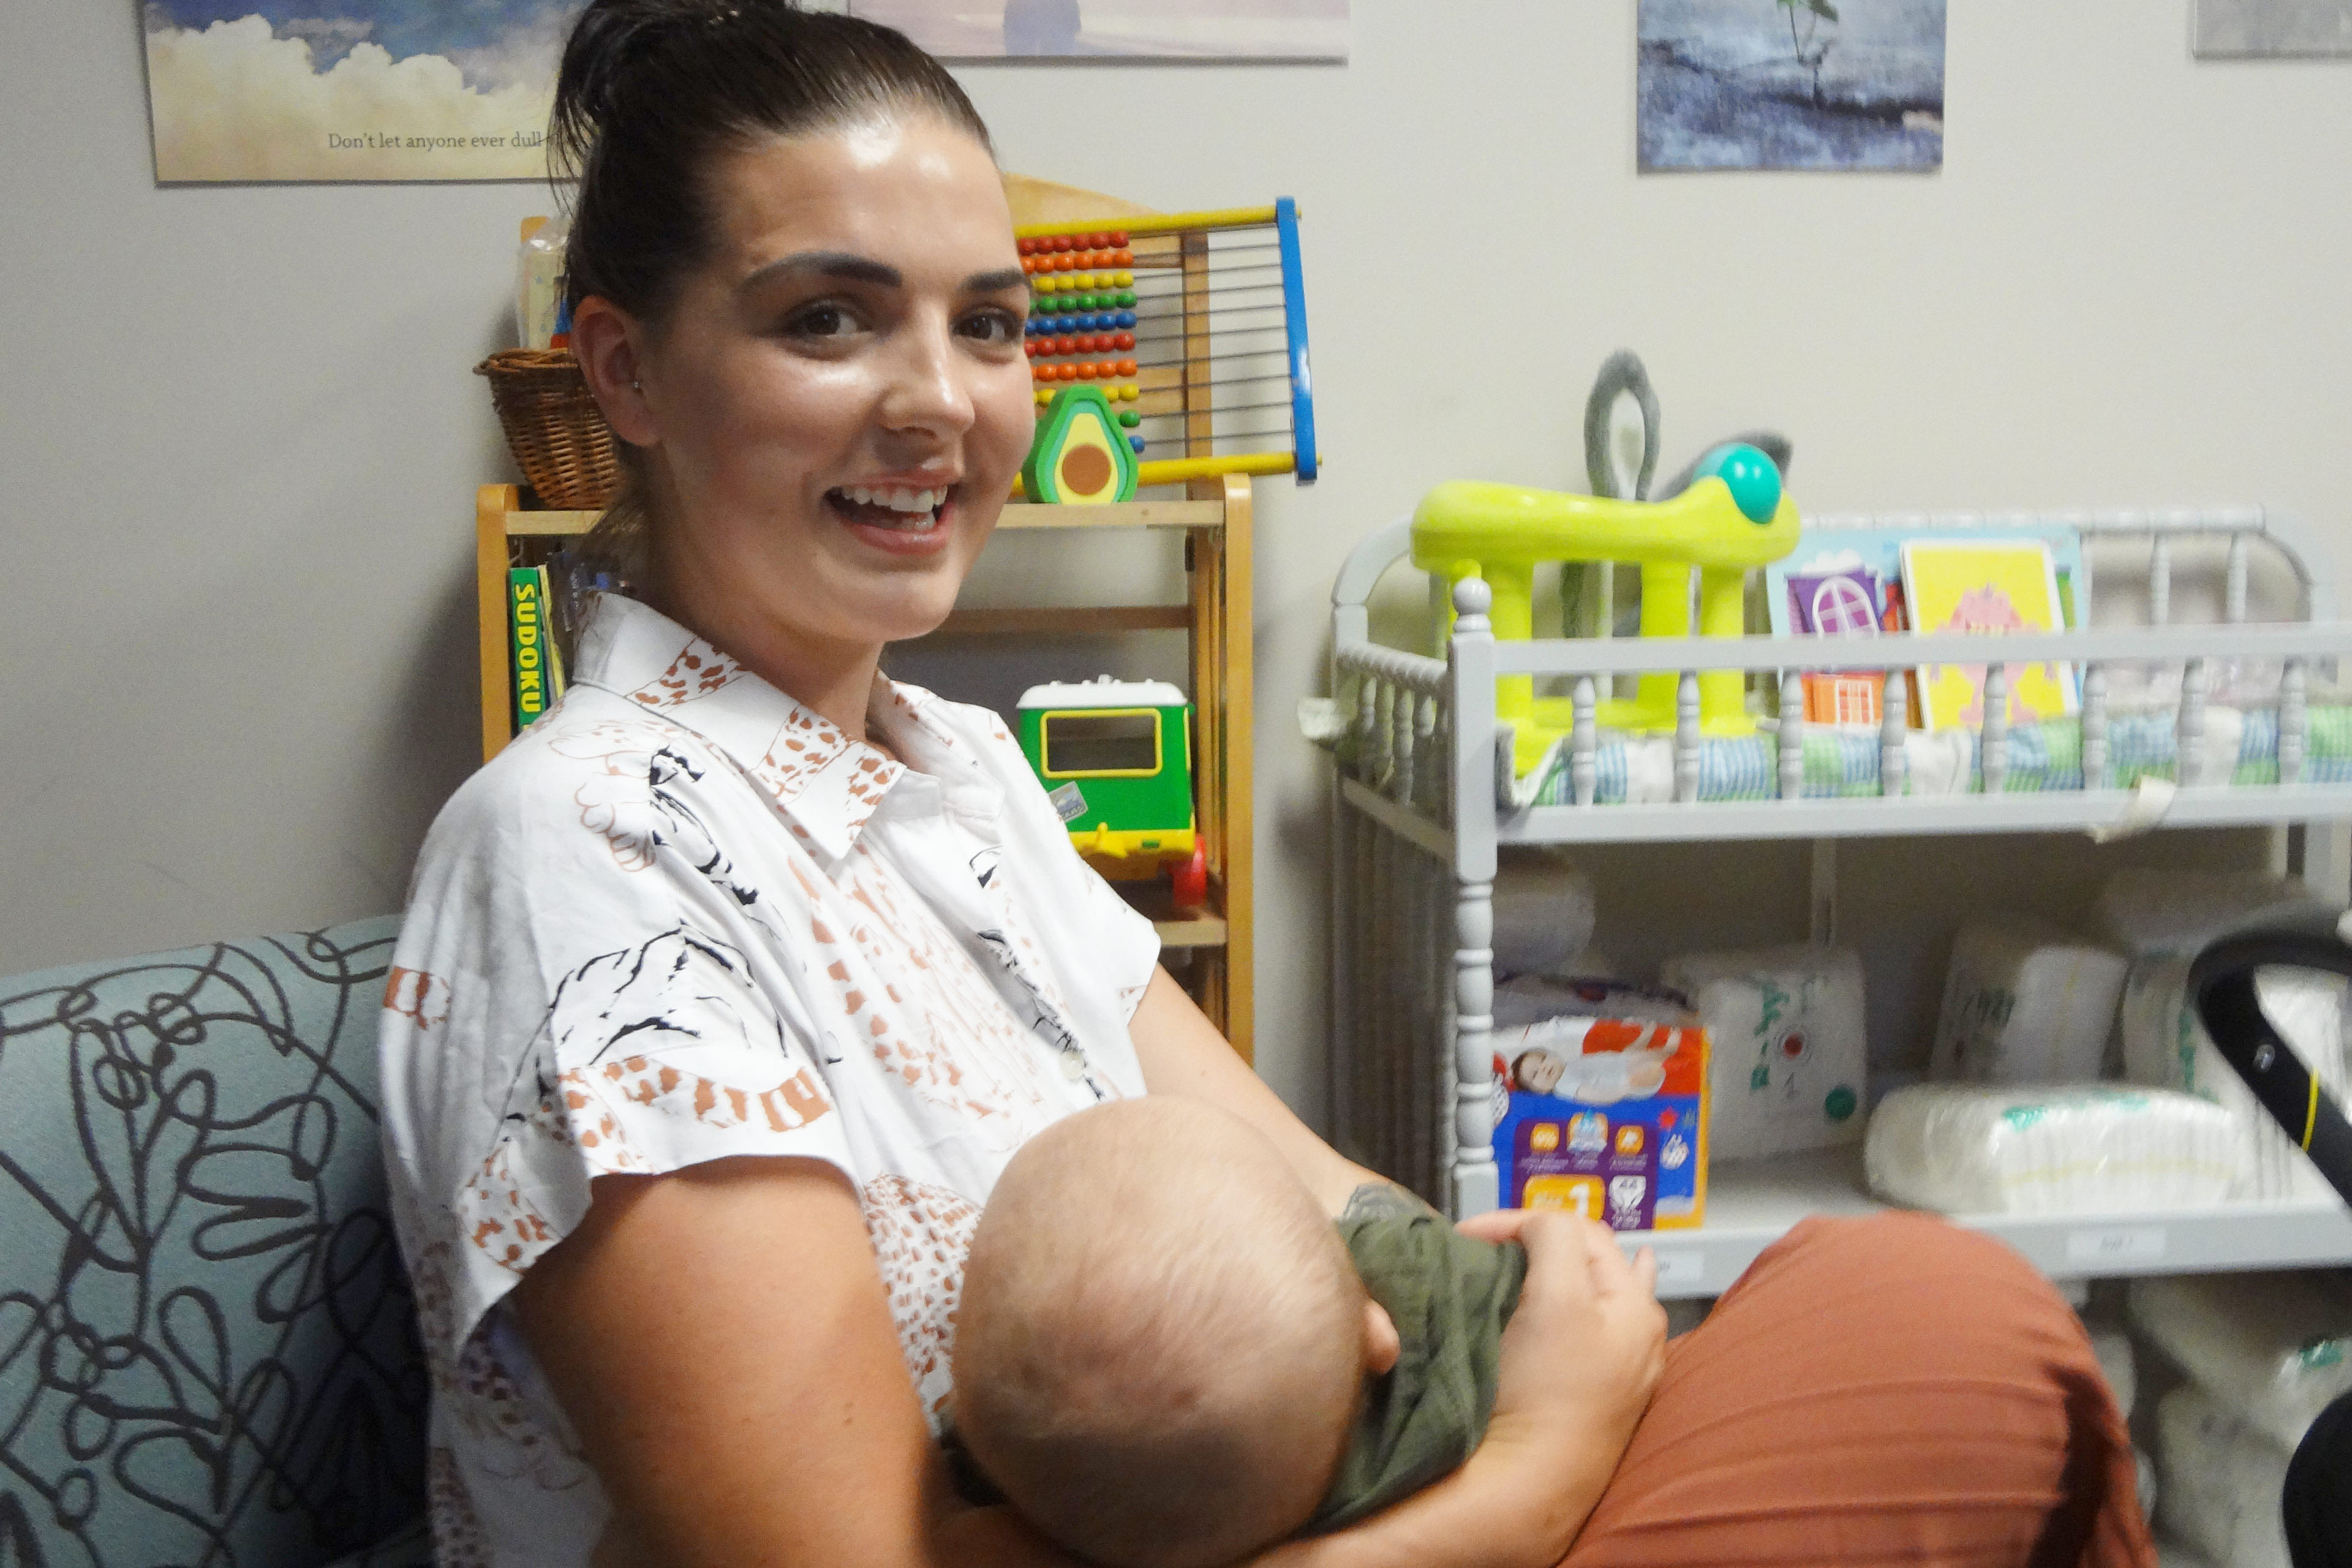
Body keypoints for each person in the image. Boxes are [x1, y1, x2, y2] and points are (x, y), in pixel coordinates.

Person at [377, 4, 2156, 1565]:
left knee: (1878, 1291)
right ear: (624, 370)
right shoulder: (586, 848)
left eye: (986, 327)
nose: (940, 404)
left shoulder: (962, 779)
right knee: (1969, 1350)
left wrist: (1530, 1310)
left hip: (1319, 1503)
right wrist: (1531, 1475)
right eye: (831, 321)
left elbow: (1320, 1193)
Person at [954, 1098, 2157, 1568]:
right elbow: (1392, 1224)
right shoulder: (1402, 1349)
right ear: (1378, 1335)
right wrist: (1551, 1436)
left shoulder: (1056, 1455)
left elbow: (1347, 1192)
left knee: (1908, 1293)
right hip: (1539, 1487)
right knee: (1952, 1328)